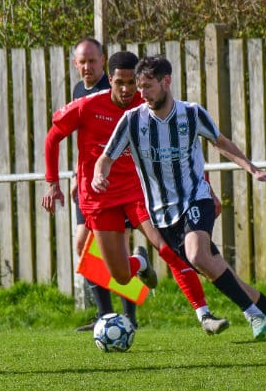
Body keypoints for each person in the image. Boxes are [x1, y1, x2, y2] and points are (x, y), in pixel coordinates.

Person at [94, 56, 266, 345]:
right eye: (139, 88)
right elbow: (106, 157)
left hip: (196, 199)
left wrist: (253, 170)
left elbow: (221, 142)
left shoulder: (192, 114)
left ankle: (255, 314)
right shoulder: (132, 121)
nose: (142, 94)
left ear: (166, 81)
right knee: (218, 270)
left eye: (148, 86)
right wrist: (99, 175)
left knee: (197, 256)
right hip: (163, 217)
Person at [42, 51, 236, 335]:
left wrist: (208, 189)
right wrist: (52, 183)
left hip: (140, 194)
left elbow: (183, 151)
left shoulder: (148, 106)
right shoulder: (87, 106)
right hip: (101, 198)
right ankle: (140, 263)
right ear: (109, 80)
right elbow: (52, 137)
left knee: (169, 250)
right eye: (119, 82)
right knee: (121, 276)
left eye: (131, 82)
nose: (126, 89)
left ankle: (204, 315)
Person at [67, 38, 138, 331]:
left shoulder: (114, 91)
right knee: (83, 246)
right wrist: (77, 174)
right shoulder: (79, 91)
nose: (87, 67)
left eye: (92, 61)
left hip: (115, 185)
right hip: (89, 185)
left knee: (113, 249)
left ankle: (127, 315)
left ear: (103, 61)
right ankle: (107, 315)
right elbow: (85, 139)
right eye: (82, 62)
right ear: (75, 64)